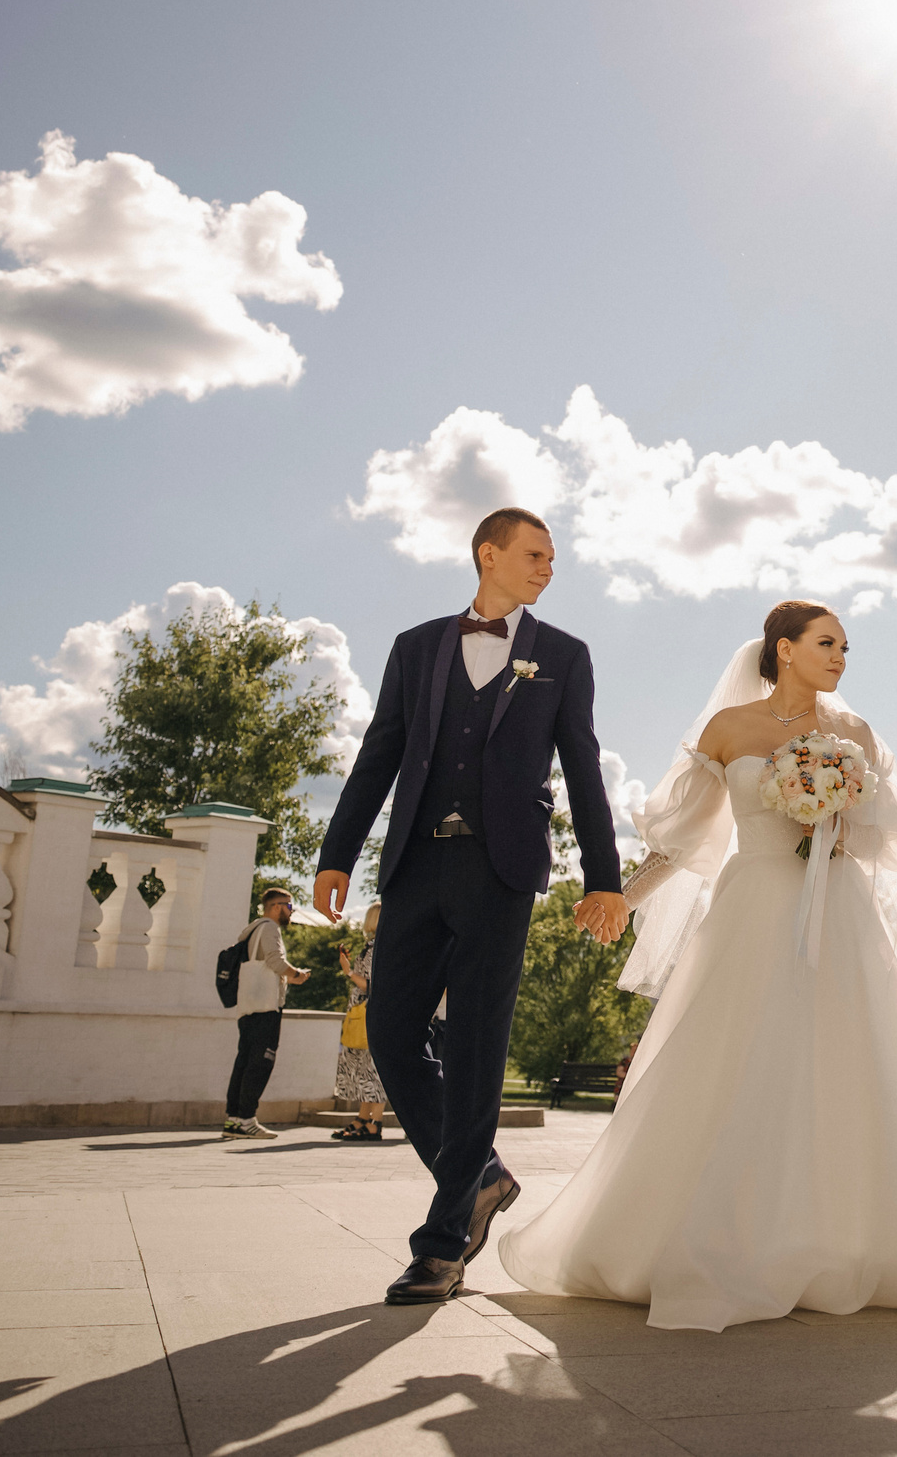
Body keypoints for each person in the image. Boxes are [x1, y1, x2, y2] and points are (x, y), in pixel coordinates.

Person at [498, 602, 897, 1331]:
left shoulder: (854, 735)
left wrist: (839, 826)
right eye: (826, 643)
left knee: (847, 1065)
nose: (842, 655)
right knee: (728, 1062)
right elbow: (686, 841)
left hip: (838, 914)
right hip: (750, 911)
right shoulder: (728, 731)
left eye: (846, 645)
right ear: (784, 649)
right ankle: (707, 1232)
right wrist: (622, 897)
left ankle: (846, 1235)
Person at [313, 507, 625, 1306]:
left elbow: (583, 766)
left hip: (503, 869)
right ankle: (480, 1176)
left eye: (553, 558)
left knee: (480, 1046)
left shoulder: (562, 655)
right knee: (389, 1029)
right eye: (534, 554)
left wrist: (604, 874)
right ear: (488, 554)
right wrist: (336, 854)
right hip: (416, 862)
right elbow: (380, 751)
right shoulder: (416, 647)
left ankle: (443, 1244)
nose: (547, 568)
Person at [223, 888, 309, 1138]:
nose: (290, 911)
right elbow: (275, 961)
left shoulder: (252, 929)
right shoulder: (270, 928)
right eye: (289, 906)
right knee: (260, 1063)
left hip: (248, 1004)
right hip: (266, 1006)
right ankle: (247, 1120)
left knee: (244, 1062)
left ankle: (233, 1120)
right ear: (275, 907)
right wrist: (297, 975)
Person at [331, 904, 387, 1142]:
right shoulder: (372, 947)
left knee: (373, 1069)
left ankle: (374, 1122)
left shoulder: (379, 948)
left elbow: (374, 986)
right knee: (364, 1070)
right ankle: (363, 1118)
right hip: (362, 1011)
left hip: (370, 1011)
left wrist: (348, 972)